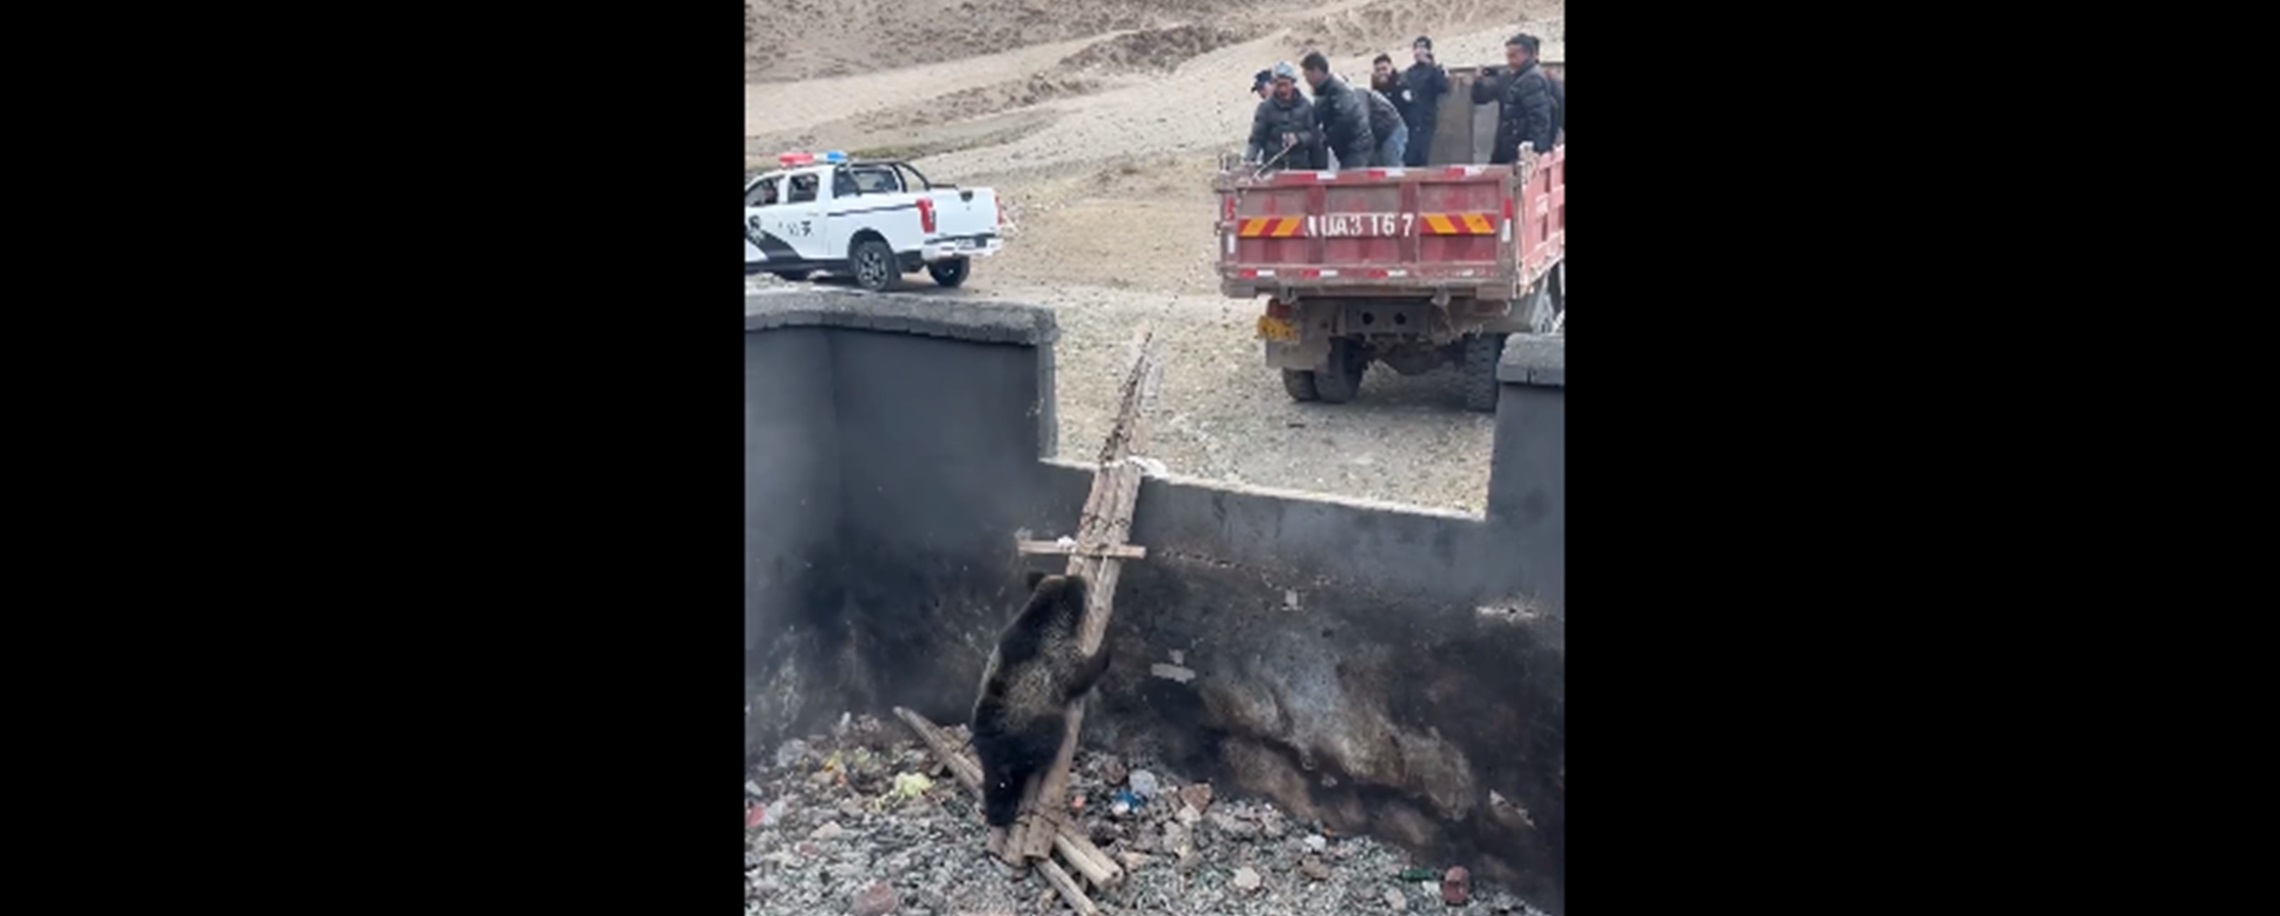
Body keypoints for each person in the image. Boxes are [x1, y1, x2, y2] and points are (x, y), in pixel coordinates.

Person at [1472, 33, 1559, 164]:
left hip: (1522, 151)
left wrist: (1533, 152)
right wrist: (1478, 82)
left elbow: (1539, 120)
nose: (1510, 61)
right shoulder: (1510, 78)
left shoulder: (1533, 79)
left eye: (1514, 57)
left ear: (1528, 55)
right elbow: (1480, 98)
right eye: (1508, 57)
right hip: (1509, 147)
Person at [1299, 51, 1372, 172]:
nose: (1306, 80)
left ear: (1316, 71)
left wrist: (1327, 136)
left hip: (1356, 143)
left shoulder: (1337, 89)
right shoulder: (1322, 91)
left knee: (1351, 181)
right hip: (1344, 145)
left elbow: (1347, 118)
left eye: (1306, 75)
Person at [1245, 62, 1320, 171]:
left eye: (1285, 85)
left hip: (1301, 168)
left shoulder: (1306, 106)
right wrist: (1249, 161)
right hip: (1273, 168)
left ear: (1293, 83)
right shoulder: (1265, 108)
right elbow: (1256, 140)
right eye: (1279, 85)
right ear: (1274, 84)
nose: (1282, 90)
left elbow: (1314, 135)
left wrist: (1299, 138)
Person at [1400, 36, 1451, 166]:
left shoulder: (1435, 69)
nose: (1418, 51)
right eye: (1416, 48)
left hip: (1426, 120)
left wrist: (1432, 66)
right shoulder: (1409, 72)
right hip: (1410, 120)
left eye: (1422, 48)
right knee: (1409, 157)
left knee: (1422, 155)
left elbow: (1443, 87)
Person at [1363, 83, 1406, 168]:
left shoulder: (1358, 93)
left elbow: (1364, 122)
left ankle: (1398, 179)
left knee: (1391, 164)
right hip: (1380, 132)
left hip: (1392, 129)